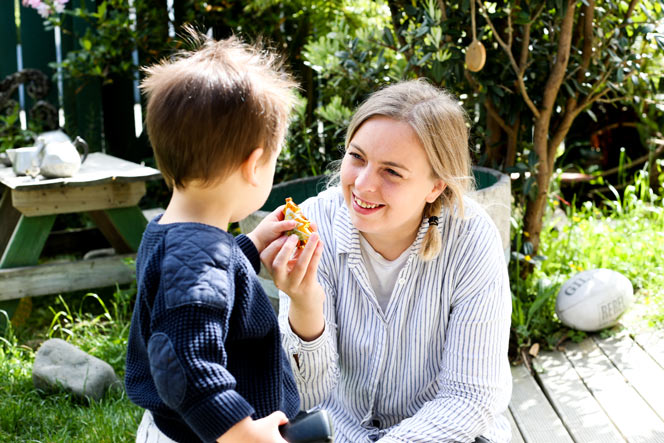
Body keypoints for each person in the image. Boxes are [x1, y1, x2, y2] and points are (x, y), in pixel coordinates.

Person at [261, 80, 512, 442]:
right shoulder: (316, 226)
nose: (363, 185)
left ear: (435, 186)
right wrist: (304, 302)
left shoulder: (471, 240)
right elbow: (306, 396)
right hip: (340, 431)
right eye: (357, 157)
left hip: (444, 433)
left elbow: (469, 397)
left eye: (392, 171)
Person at [124, 31, 309, 443]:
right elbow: (186, 364)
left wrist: (250, 247)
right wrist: (243, 433)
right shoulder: (196, 253)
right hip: (211, 435)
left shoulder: (171, 232)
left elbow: (196, 288)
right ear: (255, 164)